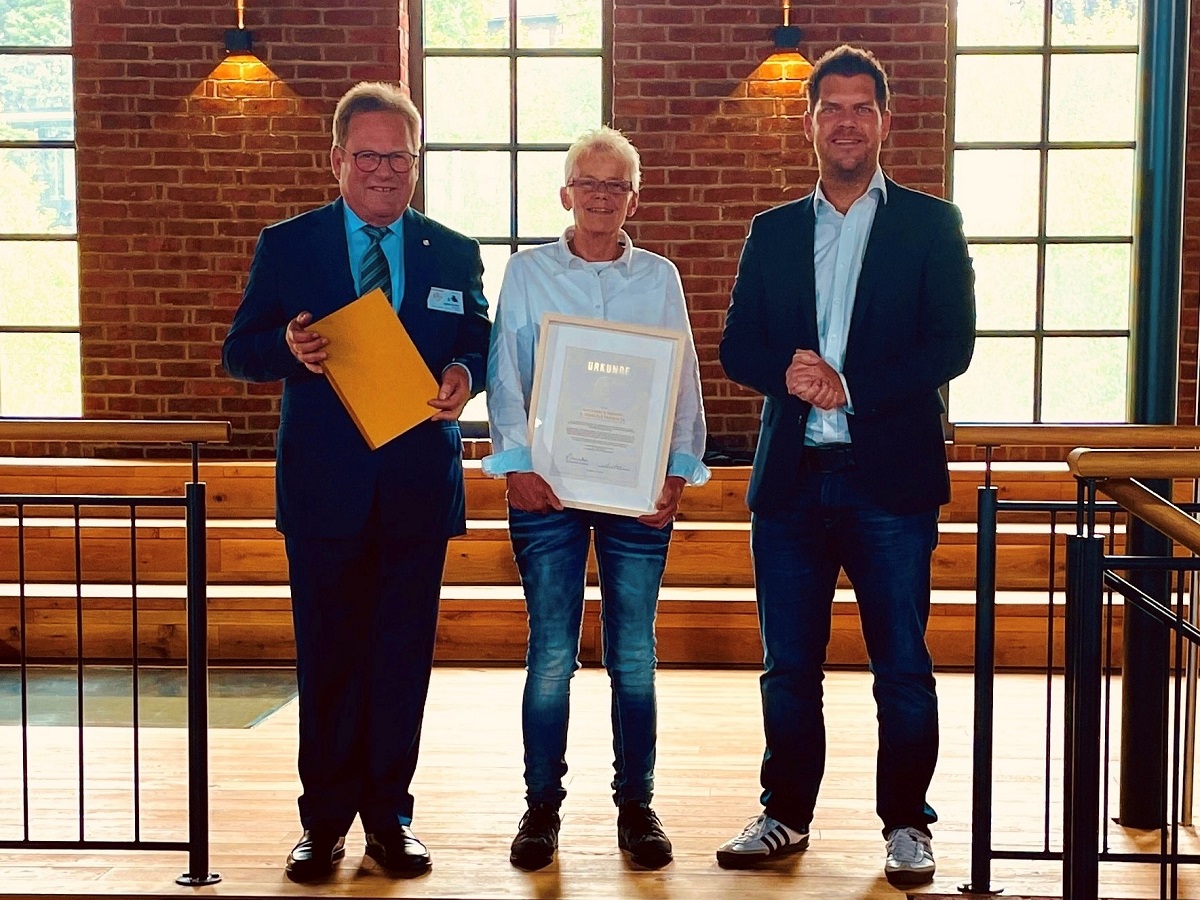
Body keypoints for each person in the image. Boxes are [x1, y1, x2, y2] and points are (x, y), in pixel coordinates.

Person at [714, 45, 975, 888]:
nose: (848, 121)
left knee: (900, 663)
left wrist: (847, 383)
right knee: (790, 666)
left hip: (888, 483)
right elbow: (736, 346)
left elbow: (952, 345)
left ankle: (907, 825)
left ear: (885, 122)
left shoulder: (932, 224)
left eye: (863, 107)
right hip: (792, 483)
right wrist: (785, 374)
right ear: (810, 124)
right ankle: (784, 814)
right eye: (833, 108)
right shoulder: (773, 230)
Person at [222, 81, 490, 881]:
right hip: (325, 495)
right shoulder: (289, 244)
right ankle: (323, 822)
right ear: (336, 158)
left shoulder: (454, 249)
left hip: (415, 488)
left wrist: (461, 372)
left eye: (398, 157)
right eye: (367, 155)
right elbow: (241, 349)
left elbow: (477, 333)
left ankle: (390, 820)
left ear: (416, 163)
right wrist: (287, 351)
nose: (383, 170)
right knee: (329, 658)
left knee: (402, 660)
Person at [483, 126, 709, 872]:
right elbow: (504, 372)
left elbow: (680, 380)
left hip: (636, 493)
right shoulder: (526, 272)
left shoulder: (660, 277)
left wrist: (676, 470)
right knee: (551, 654)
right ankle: (540, 807)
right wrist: (513, 462)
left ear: (633, 198)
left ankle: (636, 806)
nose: (602, 197)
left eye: (617, 186)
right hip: (546, 488)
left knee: (634, 655)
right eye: (590, 183)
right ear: (566, 193)